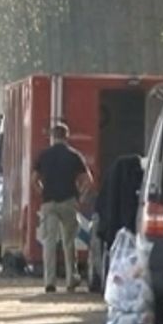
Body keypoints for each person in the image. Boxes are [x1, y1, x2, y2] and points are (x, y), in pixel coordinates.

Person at [32, 122, 93, 293]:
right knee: (69, 241)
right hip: (68, 201)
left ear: (52, 136)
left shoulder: (43, 155)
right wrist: (81, 196)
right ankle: (70, 279)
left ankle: (49, 281)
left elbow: (34, 179)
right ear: (67, 136)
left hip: (49, 202)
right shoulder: (74, 155)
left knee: (49, 242)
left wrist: (42, 192)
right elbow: (88, 180)